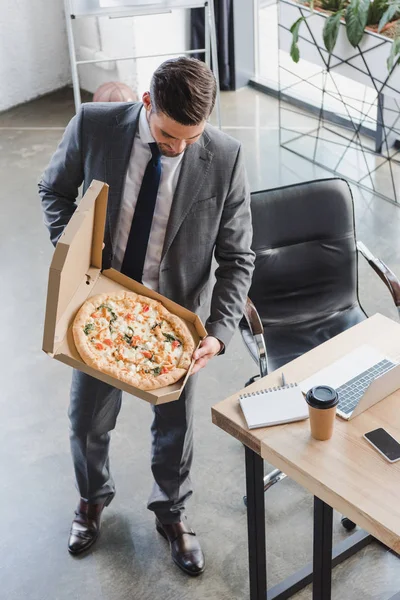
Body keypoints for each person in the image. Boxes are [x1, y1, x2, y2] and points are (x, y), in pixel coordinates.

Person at [39, 57, 255, 576]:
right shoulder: (93, 125)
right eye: (167, 134)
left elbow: (238, 255)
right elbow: (54, 189)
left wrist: (220, 334)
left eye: (191, 138)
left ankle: (171, 513)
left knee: (175, 428)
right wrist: (74, 256)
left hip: (174, 320)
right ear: (146, 104)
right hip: (101, 308)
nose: (178, 148)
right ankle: (92, 501)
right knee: (87, 419)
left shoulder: (225, 156)